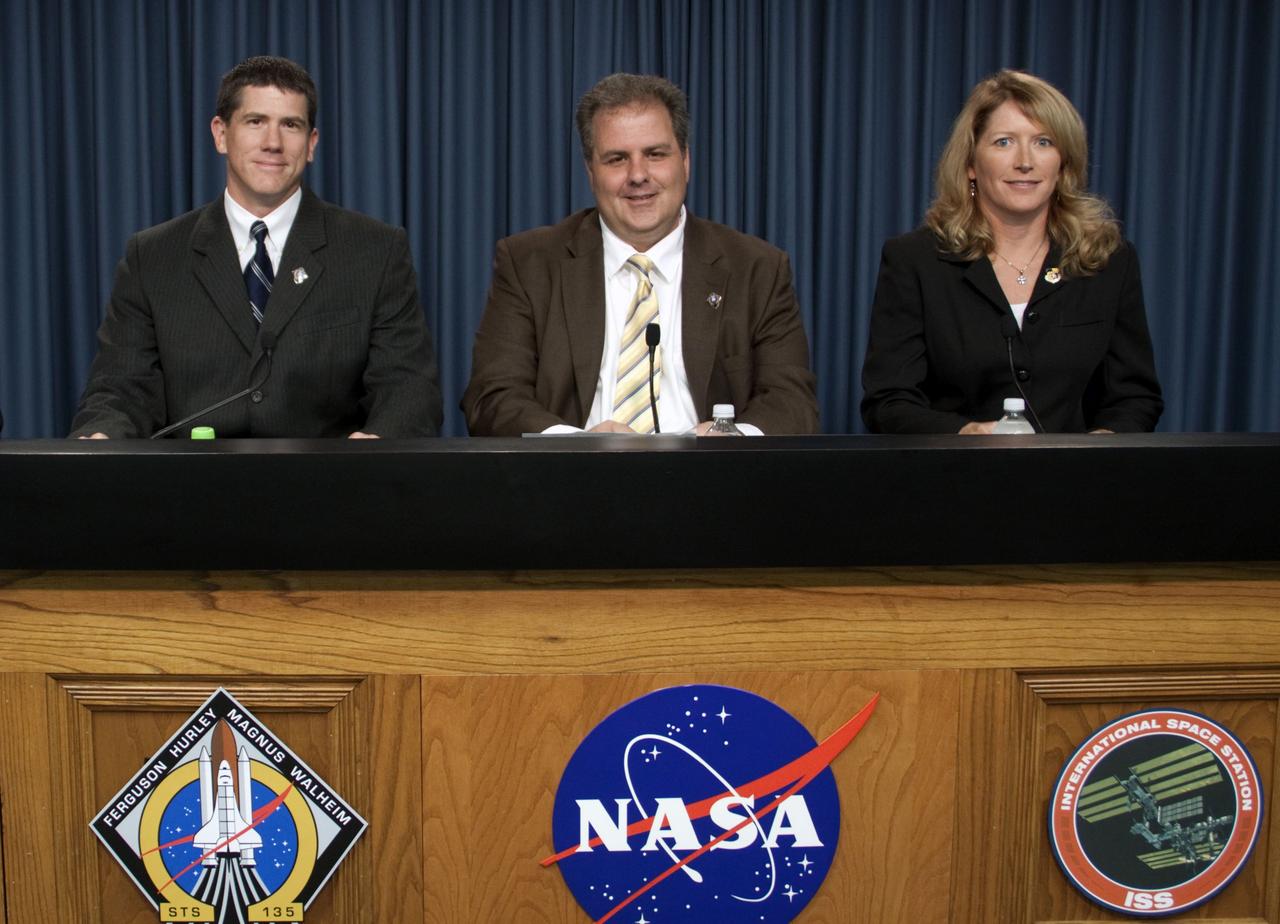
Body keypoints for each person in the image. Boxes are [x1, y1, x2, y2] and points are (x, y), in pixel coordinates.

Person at [70, 56, 442, 439]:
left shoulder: (375, 251)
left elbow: (408, 389)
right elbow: (119, 390)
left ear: (311, 143)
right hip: (190, 489)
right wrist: (102, 436)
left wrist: (379, 444)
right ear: (220, 133)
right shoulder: (151, 257)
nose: (273, 143)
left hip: (331, 487)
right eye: (255, 122)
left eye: (291, 125)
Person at [462, 73, 819, 437]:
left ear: (685, 161)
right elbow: (493, 397)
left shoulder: (757, 269)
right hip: (570, 484)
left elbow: (791, 401)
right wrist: (575, 447)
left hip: (713, 482)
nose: (637, 175)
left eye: (655, 154)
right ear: (590, 171)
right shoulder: (529, 263)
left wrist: (733, 440)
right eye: (616, 159)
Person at [860, 69, 1162, 434]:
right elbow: (888, 402)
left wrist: (1103, 445)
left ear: (1063, 162)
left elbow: (1134, 396)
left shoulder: (1107, 259)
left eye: (1044, 142)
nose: (1025, 161)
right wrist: (966, 433)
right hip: (954, 478)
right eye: (1004, 142)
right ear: (971, 164)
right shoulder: (916, 261)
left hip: (1077, 484)